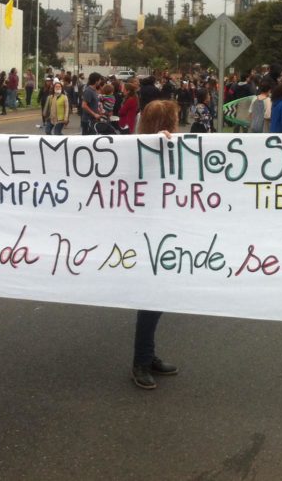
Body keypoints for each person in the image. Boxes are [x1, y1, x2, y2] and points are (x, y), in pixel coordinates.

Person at [131, 99, 180, 389]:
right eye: (173, 118)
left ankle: (147, 355)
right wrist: (153, 146)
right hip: (145, 240)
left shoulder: (173, 147)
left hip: (165, 236)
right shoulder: (137, 151)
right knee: (150, 301)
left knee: (156, 301)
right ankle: (140, 362)